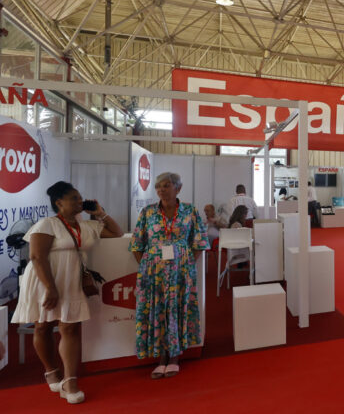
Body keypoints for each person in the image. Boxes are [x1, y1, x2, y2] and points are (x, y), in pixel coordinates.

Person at [11, 181, 123, 404]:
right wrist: (51, 288)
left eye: (80, 198)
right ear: (58, 202)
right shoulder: (47, 223)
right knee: (42, 326)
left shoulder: (86, 226)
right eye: (74, 198)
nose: (80, 202)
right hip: (45, 280)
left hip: (71, 279)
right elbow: (36, 257)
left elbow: (117, 232)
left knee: (70, 327)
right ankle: (51, 371)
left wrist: (100, 213)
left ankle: (70, 381)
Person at [129, 172, 209, 380]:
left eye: (166, 185)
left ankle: (174, 357)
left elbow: (199, 242)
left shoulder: (190, 211)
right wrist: (148, 265)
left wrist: (187, 263)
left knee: (176, 310)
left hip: (181, 272)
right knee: (157, 311)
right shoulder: (147, 213)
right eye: (158, 187)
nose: (161, 190)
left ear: (178, 189)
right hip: (153, 273)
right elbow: (136, 244)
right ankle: (160, 358)